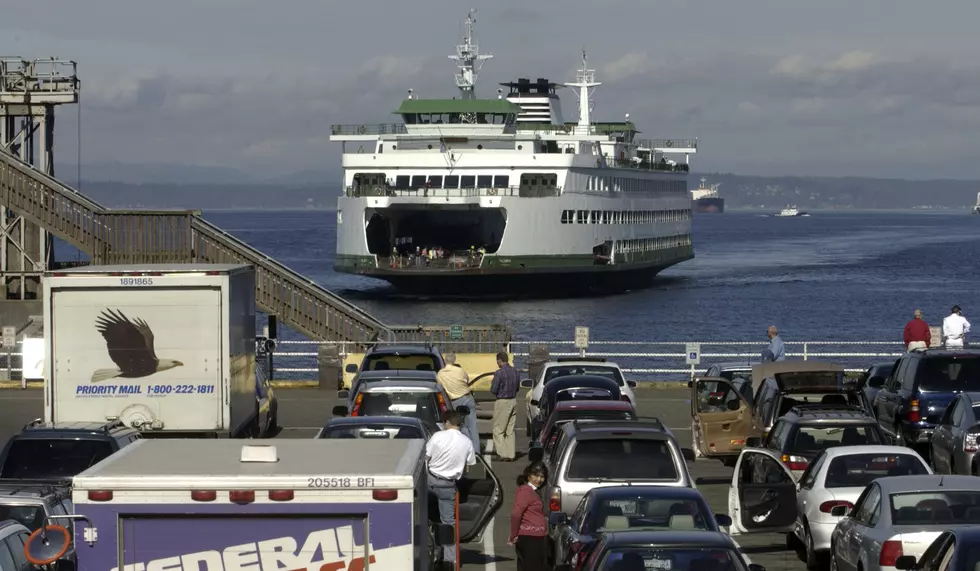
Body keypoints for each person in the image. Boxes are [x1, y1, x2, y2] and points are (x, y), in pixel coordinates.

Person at [425, 410, 475, 568]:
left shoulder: (437, 436)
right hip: (448, 486)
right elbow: (469, 466)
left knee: (424, 519)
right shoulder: (467, 442)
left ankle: (429, 551)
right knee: (448, 524)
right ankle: (450, 560)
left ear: (446, 422)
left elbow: (425, 457)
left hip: (430, 483)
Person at [436, 353, 481, 453]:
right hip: (468, 397)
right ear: (454, 360)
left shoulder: (440, 374)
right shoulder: (460, 370)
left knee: (461, 426)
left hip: (455, 401)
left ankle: (465, 450)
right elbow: (466, 380)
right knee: (472, 426)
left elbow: (439, 387)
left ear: (445, 361)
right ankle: (476, 452)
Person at [508, 462, 549, 571]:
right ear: (529, 475)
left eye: (542, 476)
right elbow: (516, 514)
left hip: (537, 538)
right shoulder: (525, 491)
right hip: (530, 539)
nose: (539, 479)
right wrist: (513, 535)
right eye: (536, 475)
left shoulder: (533, 491)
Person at [490, 351, 519, 462]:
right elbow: (517, 388)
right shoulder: (515, 371)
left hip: (502, 401)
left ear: (499, 360)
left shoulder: (499, 373)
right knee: (510, 430)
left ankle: (502, 454)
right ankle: (511, 454)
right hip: (513, 400)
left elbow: (493, 389)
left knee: (498, 429)